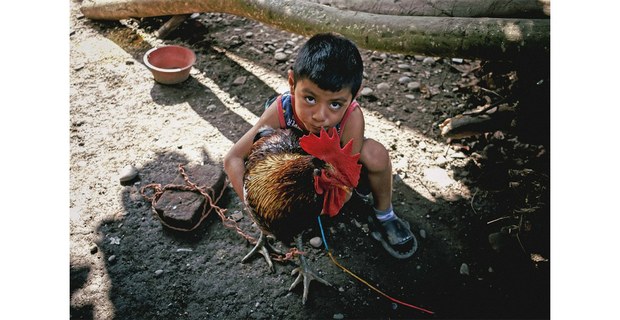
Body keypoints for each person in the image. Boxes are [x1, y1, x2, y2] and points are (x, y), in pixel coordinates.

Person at [224, 32, 417, 259]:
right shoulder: (281, 110)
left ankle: (385, 214)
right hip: (292, 160)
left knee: (377, 155)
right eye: (310, 99)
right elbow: (232, 159)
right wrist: (257, 207)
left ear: (354, 95)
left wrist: (324, 204)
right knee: (259, 152)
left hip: (324, 168)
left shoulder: (352, 118)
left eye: (335, 104)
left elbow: (345, 179)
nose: (320, 116)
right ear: (292, 83)